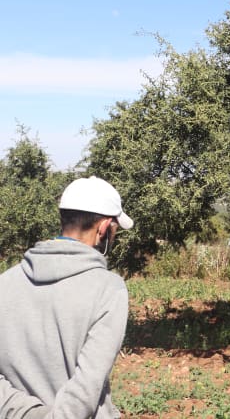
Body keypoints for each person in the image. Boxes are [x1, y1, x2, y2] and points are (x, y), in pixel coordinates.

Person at [0, 176, 133, 418]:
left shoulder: (5, 282)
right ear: (103, 227)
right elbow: (86, 386)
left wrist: (26, 412)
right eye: (114, 229)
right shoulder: (109, 289)